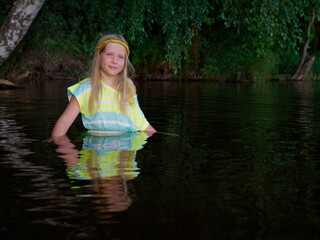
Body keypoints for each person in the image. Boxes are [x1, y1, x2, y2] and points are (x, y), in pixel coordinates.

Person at [51, 34, 156, 137]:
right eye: (109, 54)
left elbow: (139, 119)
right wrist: (64, 149)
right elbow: (64, 122)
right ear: (99, 56)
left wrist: (155, 135)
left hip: (128, 147)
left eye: (120, 57)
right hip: (97, 150)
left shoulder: (128, 86)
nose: (114, 61)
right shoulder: (86, 89)